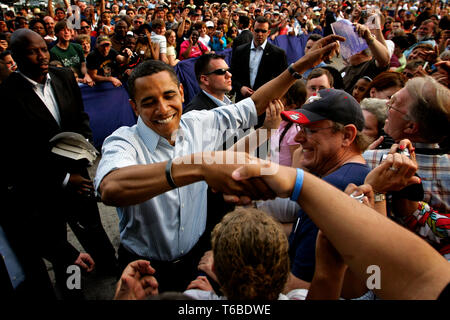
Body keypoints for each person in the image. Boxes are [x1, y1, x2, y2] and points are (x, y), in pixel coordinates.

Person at [94, 34, 345, 293]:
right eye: (148, 102)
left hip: (196, 259)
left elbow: (255, 103)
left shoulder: (197, 123)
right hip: (142, 269)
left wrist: (300, 66)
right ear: (134, 107)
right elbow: (110, 188)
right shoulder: (123, 141)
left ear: (181, 92)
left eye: (169, 95)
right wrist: (199, 167)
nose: (162, 108)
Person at [2, 29, 117, 300]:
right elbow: (18, 156)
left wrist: (85, 150)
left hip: (79, 176)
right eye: (33, 51)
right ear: (17, 56)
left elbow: (79, 118)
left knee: (93, 229)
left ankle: (112, 271)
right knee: (62, 248)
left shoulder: (64, 77)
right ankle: (75, 290)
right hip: (44, 190)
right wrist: (63, 179)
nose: (42, 55)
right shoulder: (6, 96)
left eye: (44, 48)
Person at [280, 89, 372, 293]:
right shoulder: (354, 175)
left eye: (311, 130)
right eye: (299, 128)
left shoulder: (334, 188)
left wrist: (232, 274)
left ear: (347, 135)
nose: (299, 138)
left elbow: (303, 284)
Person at [364, 76, 450, 214]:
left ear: (410, 127)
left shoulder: (370, 162)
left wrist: (362, 157)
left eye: (393, 103)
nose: (387, 106)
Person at [231, 16, 288, 126]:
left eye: (263, 31)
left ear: (269, 32)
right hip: (242, 103)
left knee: (261, 140)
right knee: (238, 140)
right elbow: (232, 76)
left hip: (265, 105)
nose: (260, 34)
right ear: (252, 30)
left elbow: (282, 82)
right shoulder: (240, 51)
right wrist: (240, 88)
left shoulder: (278, 54)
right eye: (257, 30)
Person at [340, 23, 390, 94]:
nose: (345, 49)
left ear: (358, 50)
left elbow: (384, 60)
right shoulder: (345, 69)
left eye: (348, 46)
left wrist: (368, 37)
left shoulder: (371, 66)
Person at [50, 20, 93, 87]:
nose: (66, 32)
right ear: (57, 34)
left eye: (68, 30)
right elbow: (61, 73)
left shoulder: (77, 47)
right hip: (68, 84)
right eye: (63, 30)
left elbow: (83, 64)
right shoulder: (53, 51)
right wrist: (79, 80)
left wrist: (86, 75)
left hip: (83, 81)